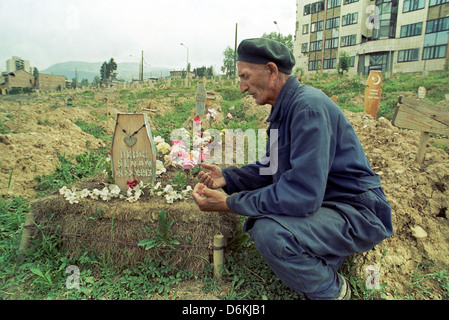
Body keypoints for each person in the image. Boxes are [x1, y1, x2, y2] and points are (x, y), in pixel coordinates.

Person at [192, 38, 393, 300]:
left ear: (272, 71)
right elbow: (270, 167)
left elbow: (302, 195)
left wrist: (230, 203)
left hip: (356, 211)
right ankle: (325, 259)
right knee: (271, 221)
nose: (242, 88)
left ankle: (335, 292)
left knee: (270, 232)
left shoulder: (308, 108)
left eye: (245, 76)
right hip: (327, 205)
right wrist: (228, 178)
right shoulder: (283, 110)